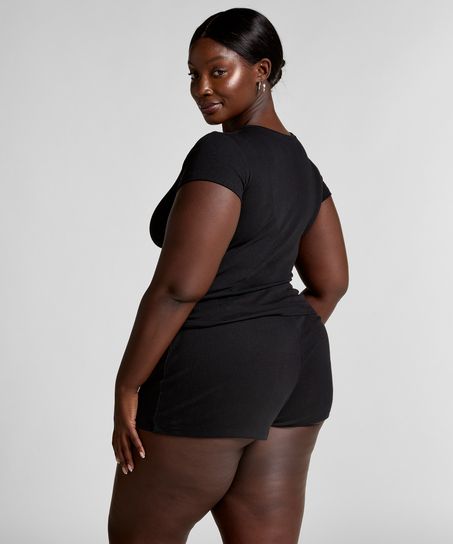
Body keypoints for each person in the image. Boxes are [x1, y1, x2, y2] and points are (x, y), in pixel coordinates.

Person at [108, 8, 348, 544]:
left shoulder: (222, 154)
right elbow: (332, 283)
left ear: (262, 70)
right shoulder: (303, 165)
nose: (202, 88)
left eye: (218, 71)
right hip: (300, 372)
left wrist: (127, 384)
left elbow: (178, 288)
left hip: (212, 371)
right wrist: (270, 340)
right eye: (193, 74)